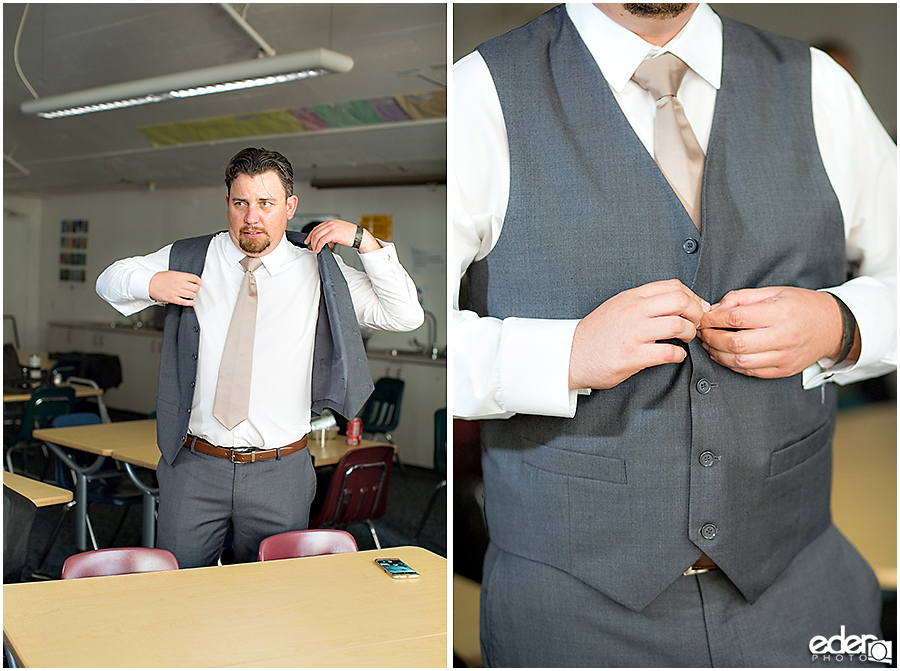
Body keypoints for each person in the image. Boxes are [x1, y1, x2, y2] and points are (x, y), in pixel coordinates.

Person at [453, 3, 896, 667]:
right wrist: (562, 355)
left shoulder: (820, 86)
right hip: (571, 619)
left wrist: (840, 323)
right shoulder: (478, 94)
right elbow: (402, 324)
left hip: (805, 590)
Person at [97, 147, 423, 568]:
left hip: (280, 471)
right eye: (241, 203)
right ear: (228, 205)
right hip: (194, 466)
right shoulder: (194, 256)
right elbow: (109, 280)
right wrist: (151, 281)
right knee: (177, 596)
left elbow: (406, 315)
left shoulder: (320, 270)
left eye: (266, 203)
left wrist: (363, 241)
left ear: (289, 207)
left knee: (273, 605)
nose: (252, 217)